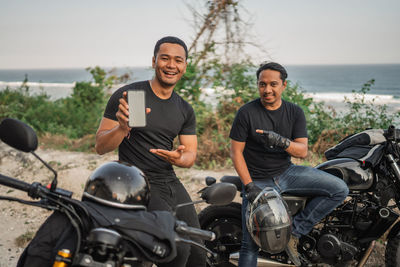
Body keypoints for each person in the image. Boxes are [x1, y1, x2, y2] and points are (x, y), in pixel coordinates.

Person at [95, 36, 205, 267]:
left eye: (178, 60)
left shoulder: (184, 109)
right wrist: (122, 128)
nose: (171, 65)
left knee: (198, 250)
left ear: (185, 65)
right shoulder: (127, 95)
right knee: (176, 247)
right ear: (154, 60)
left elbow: (190, 156)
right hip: (135, 180)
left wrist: (179, 157)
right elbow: (100, 146)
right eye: (165, 58)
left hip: (169, 179)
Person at [229, 62, 349, 266]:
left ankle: (294, 232)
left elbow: (302, 151)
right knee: (249, 245)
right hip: (258, 179)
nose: (267, 90)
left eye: (273, 84)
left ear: (283, 85)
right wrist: (249, 185)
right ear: (258, 85)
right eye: (262, 84)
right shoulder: (246, 112)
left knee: (339, 189)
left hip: (287, 173)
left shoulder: (295, 112)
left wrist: (279, 140)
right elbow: (235, 152)